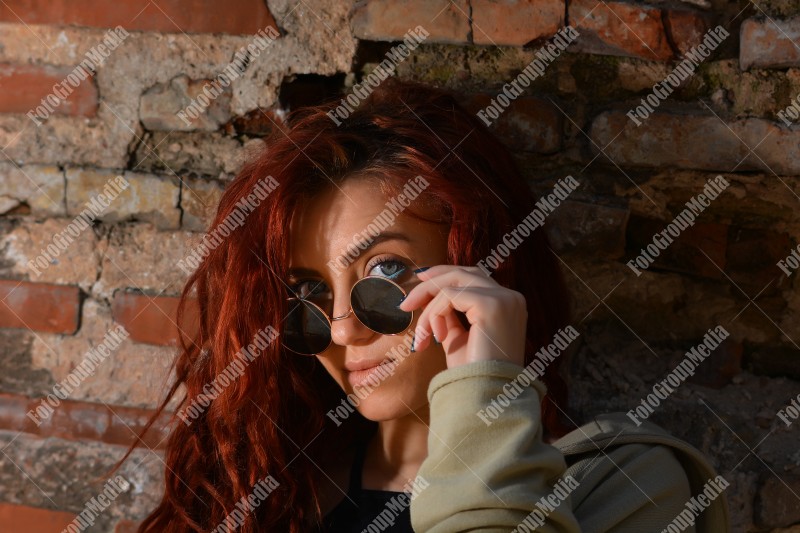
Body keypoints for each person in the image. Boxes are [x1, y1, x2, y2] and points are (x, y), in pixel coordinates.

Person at [118, 77, 730, 532]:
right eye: (307, 293)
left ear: (481, 264)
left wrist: (486, 388)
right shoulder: (278, 487)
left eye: (385, 274)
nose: (342, 329)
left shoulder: (628, 483)